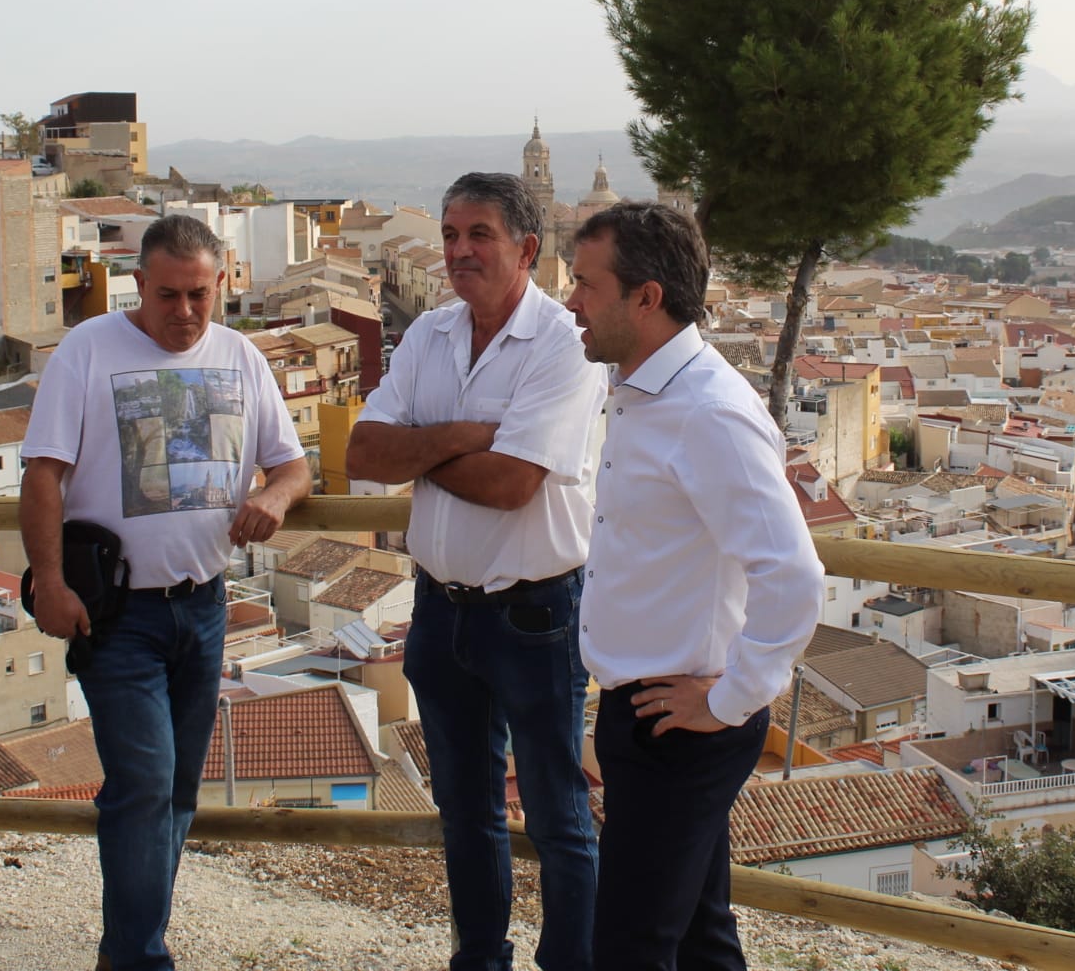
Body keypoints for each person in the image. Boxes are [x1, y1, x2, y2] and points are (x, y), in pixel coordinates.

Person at [20, 213, 311, 971]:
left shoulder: (242, 356)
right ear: (139, 285)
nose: (184, 313)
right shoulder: (86, 351)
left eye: (199, 297)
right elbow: (43, 475)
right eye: (168, 296)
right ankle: (138, 956)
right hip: (117, 613)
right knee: (145, 784)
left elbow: (293, 465)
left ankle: (133, 943)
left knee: (177, 791)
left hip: (205, 606)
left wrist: (275, 500)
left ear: (221, 286)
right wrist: (48, 582)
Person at [347, 171, 607, 971]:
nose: (458, 251)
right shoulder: (428, 334)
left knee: (561, 814)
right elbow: (361, 453)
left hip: (537, 615)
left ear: (528, 249)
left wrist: (421, 450)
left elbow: (512, 485)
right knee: (466, 809)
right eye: (451, 235)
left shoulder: (568, 343)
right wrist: (468, 433)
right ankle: (480, 961)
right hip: (439, 612)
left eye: (478, 236)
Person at [563, 200, 826, 971]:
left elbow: (793, 572)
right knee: (700, 938)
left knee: (630, 948)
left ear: (646, 298)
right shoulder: (644, 392)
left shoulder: (707, 413)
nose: (571, 301)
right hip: (652, 713)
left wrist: (727, 699)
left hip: (682, 724)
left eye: (586, 284)